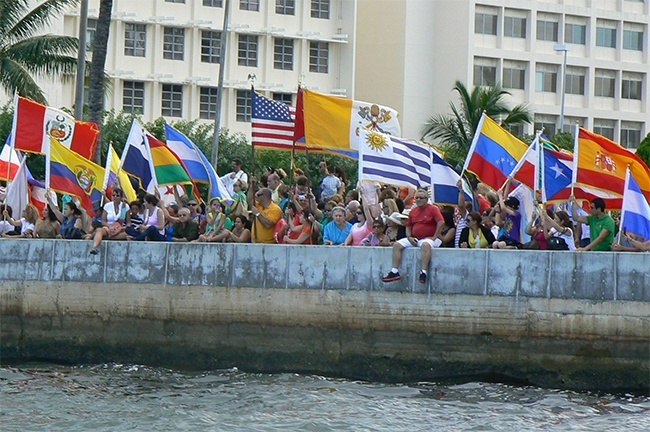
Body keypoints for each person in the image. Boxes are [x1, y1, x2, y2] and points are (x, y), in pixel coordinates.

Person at [382, 189, 445, 284]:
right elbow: (408, 225)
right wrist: (409, 237)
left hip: (430, 238)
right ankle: (394, 271)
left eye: (421, 198)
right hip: (415, 238)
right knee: (397, 245)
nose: (418, 200)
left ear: (426, 199)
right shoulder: (413, 211)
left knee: (425, 245)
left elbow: (441, 222)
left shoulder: (433, 209)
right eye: (417, 198)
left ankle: (423, 272)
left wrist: (434, 237)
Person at [88, 188, 128, 254]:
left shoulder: (124, 207)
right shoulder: (107, 206)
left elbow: (126, 222)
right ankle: (94, 247)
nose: (115, 197)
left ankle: (106, 237)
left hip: (119, 228)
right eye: (113, 195)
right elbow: (103, 221)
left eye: (117, 195)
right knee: (99, 231)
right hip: (108, 227)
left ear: (121, 197)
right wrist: (110, 227)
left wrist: (121, 228)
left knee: (126, 235)